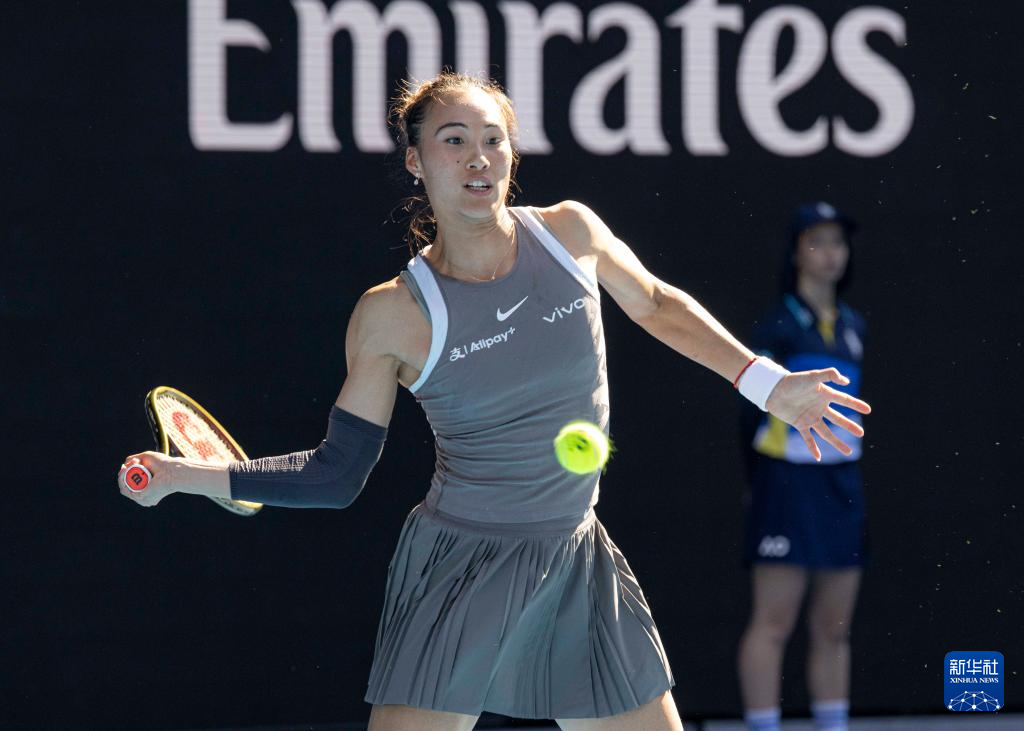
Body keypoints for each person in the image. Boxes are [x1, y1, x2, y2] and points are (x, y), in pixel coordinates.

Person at [118, 74, 870, 731]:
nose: (478, 158)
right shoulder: (392, 314)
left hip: (576, 552)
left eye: (493, 140)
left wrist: (769, 384)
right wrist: (185, 476)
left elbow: (655, 304)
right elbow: (337, 473)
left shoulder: (571, 233)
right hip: (462, 567)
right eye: (453, 141)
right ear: (415, 161)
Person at [736, 203, 867, 731]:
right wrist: (759, 482)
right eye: (817, 241)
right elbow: (749, 419)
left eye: (838, 241)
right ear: (795, 253)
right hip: (785, 487)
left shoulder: (854, 326)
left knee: (834, 627)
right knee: (774, 621)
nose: (830, 253)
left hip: (842, 488)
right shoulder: (776, 326)